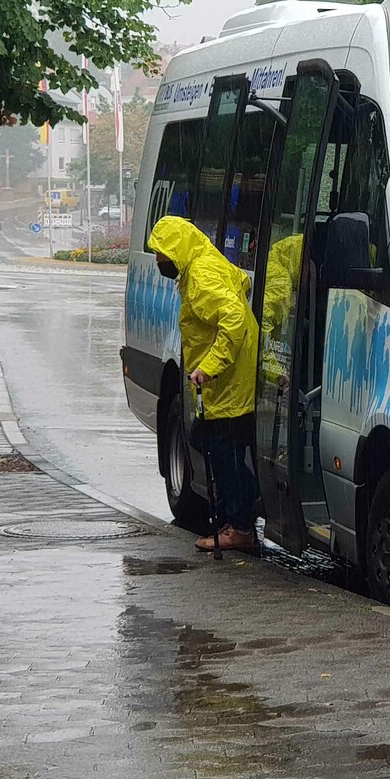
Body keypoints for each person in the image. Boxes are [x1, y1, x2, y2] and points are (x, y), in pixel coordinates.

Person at [147, 215, 260, 552]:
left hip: (226, 380)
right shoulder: (205, 263)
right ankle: (243, 507)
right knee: (207, 440)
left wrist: (209, 367)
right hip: (230, 377)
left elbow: (234, 318)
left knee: (221, 450)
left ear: (176, 249)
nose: (158, 260)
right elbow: (242, 285)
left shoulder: (202, 275)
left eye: (161, 253)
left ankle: (239, 526)